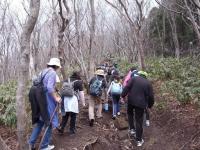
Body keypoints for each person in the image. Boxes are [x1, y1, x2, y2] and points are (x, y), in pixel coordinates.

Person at [28, 58, 62, 150]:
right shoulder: (52, 73)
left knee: (40, 122)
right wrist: (56, 98)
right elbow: (50, 88)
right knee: (49, 122)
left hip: (37, 98)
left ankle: (31, 143)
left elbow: (44, 85)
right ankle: (44, 146)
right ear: (57, 66)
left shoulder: (43, 72)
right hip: (46, 100)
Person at [121, 71, 154, 147]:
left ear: (139, 75)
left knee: (130, 113)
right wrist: (150, 105)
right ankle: (138, 140)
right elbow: (151, 96)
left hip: (131, 101)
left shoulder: (133, 79)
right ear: (145, 76)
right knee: (139, 121)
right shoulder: (148, 83)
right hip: (141, 104)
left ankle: (132, 129)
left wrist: (123, 95)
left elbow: (127, 87)